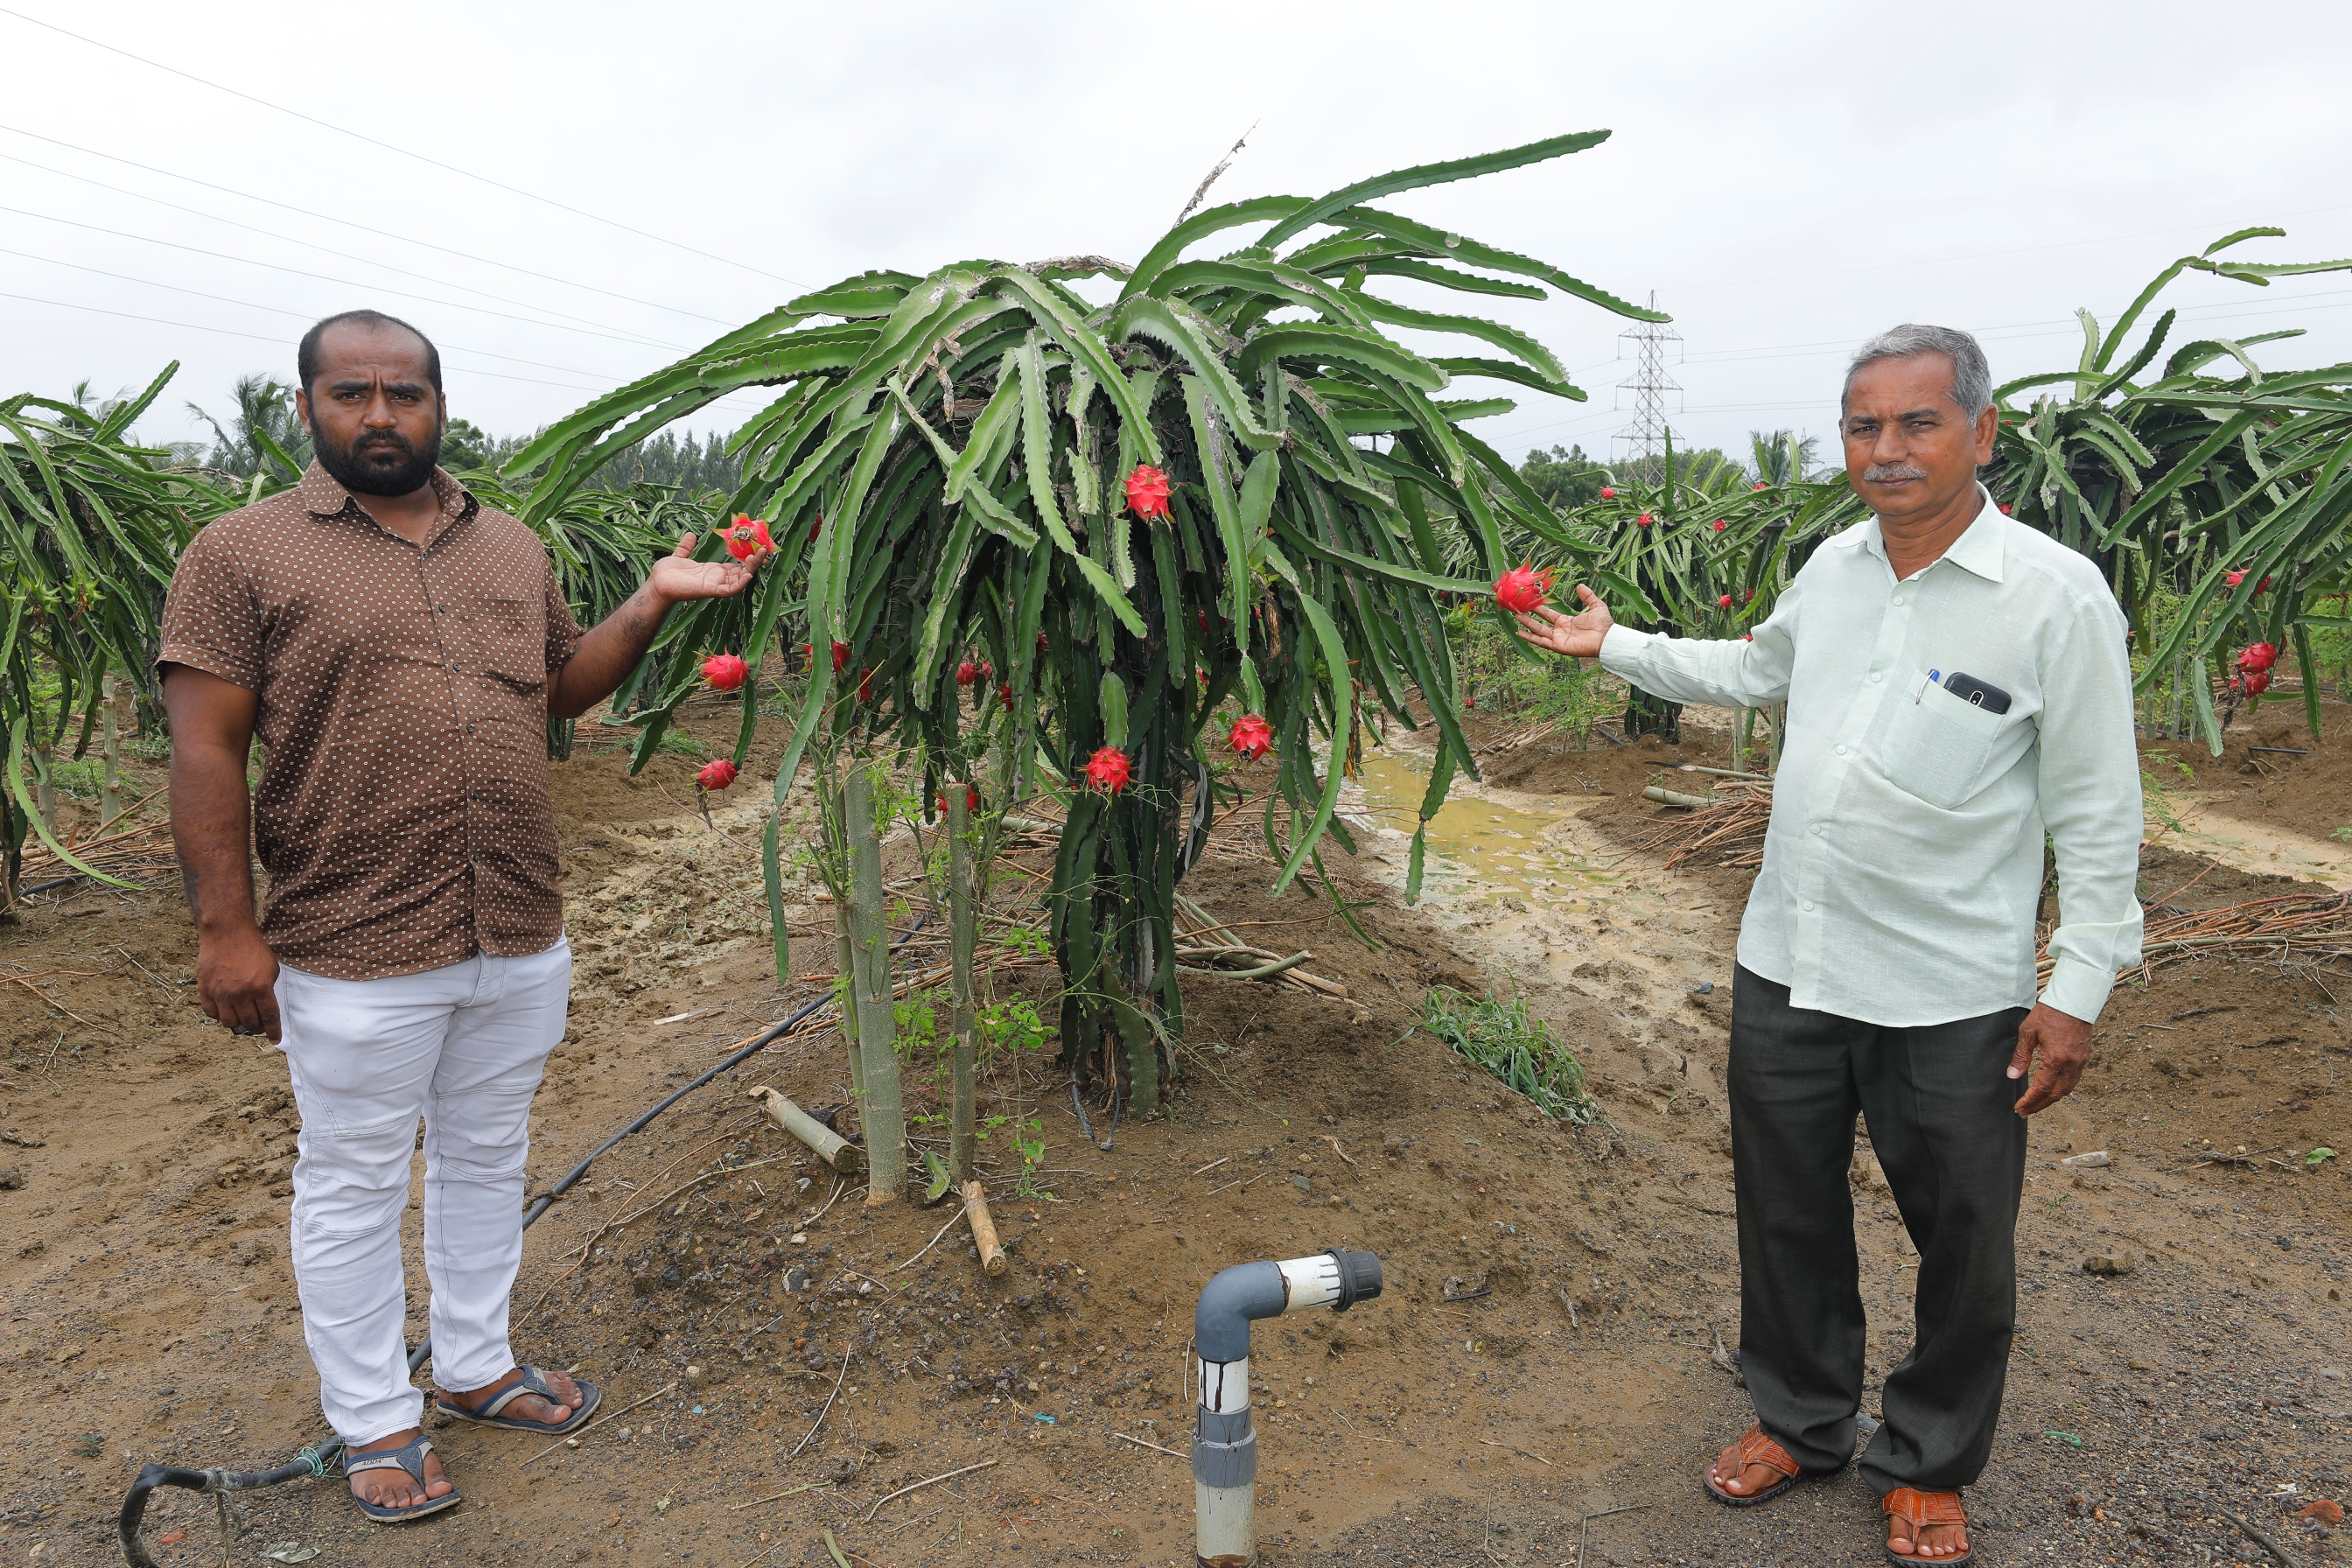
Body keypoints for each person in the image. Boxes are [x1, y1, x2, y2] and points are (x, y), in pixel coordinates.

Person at [1516, 325, 2142, 1564]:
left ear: (1981, 432)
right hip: (1791, 956)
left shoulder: (2054, 597)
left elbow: (2099, 813)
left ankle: (1929, 1455)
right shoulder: (1837, 566)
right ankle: (1802, 1419)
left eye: (1917, 422)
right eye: (1864, 425)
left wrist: (2074, 992)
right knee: (1786, 1206)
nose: (1886, 448)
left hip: (1951, 985)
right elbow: (1759, 670)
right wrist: (1620, 647)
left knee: (1962, 1232)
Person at [159, 309, 769, 1523]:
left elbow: (558, 690)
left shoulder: (509, 548)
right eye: (352, 394)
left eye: (404, 394)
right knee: (352, 1182)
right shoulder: (241, 554)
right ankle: (375, 1417)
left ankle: (479, 1364)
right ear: (308, 409)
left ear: (441, 405)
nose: (379, 415)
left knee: (488, 1156)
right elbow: (205, 750)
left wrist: (650, 600)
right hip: (353, 937)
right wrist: (228, 930)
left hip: (517, 927)